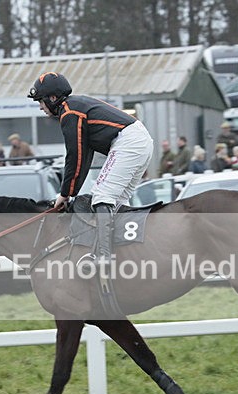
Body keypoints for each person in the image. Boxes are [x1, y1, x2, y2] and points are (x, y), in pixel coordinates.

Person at [28, 71, 153, 268]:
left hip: (129, 142)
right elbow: (84, 156)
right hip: (140, 140)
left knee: (101, 195)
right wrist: (70, 193)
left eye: (40, 101)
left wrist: (64, 194)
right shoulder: (73, 107)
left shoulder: (69, 112)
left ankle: (103, 257)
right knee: (118, 201)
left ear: (52, 98)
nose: (41, 107)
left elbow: (74, 155)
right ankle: (127, 253)